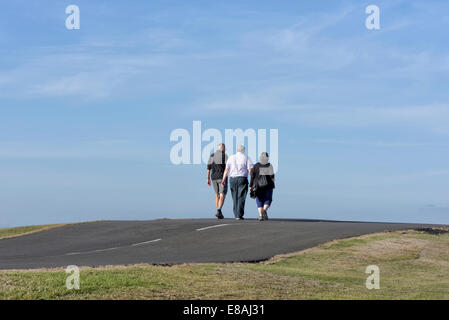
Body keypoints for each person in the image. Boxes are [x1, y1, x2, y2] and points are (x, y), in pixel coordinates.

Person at [221, 145, 253, 220]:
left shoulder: (231, 157)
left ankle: (236, 214)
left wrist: (223, 179)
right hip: (242, 178)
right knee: (241, 196)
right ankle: (239, 215)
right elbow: (250, 170)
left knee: (234, 196)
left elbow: (226, 170)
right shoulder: (246, 157)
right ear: (243, 150)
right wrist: (253, 178)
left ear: (237, 150)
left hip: (232, 179)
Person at [250, 152, 275, 221]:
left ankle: (260, 216)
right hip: (268, 185)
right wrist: (273, 185)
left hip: (258, 186)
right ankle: (264, 210)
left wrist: (250, 186)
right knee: (268, 199)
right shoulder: (269, 165)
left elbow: (252, 176)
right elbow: (272, 177)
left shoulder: (256, 166)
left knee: (259, 200)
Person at [207, 143, 228, 219]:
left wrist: (208, 178)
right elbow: (227, 167)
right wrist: (225, 178)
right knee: (222, 193)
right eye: (225, 148)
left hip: (213, 177)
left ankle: (218, 211)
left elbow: (208, 168)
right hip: (221, 177)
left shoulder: (212, 156)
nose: (225, 149)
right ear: (222, 148)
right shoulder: (224, 155)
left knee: (217, 194)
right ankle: (219, 210)